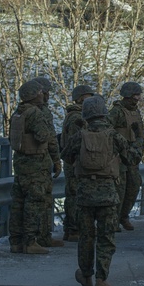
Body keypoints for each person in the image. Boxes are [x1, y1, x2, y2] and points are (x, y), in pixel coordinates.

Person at [63, 96, 140, 286]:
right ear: (104, 113)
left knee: (86, 237)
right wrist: (138, 140)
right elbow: (131, 158)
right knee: (106, 238)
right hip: (108, 195)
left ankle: (86, 275)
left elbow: (66, 156)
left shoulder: (80, 135)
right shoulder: (113, 135)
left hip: (84, 195)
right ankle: (101, 279)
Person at [7, 80, 62, 255]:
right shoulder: (35, 114)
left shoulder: (18, 113)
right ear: (33, 95)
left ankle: (16, 242)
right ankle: (31, 241)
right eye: (40, 92)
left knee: (19, 203)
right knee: (35, 203)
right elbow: (43, 136)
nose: (43, 94)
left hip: (21, 163)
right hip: (37, 164)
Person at [30, 76, 64, 247]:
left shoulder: (23, 110)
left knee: (27, 200)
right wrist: (56, 160)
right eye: (46, 92)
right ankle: (38, 238)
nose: (48, 95)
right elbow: (49, 138)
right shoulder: (39, 112)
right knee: (41, 201)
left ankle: (24, 239)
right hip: (39, 161)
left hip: (26, 161)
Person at [108, 82, 144, 231]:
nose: (138, 98)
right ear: (128, 95)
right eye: (136, 95)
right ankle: (115, 219)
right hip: (119, 156)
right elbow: (108, 130)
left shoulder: (136, 112)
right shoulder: (116, 112)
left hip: (133, 155)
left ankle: (124, 215)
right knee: (120, 189)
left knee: (134, 185)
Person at [60, 84, 95, 242]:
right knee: (74, 195)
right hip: (75, 161)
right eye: (87, 97)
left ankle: (72, 229)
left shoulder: (78, 115)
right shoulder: (76, 117)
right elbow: (75, 142)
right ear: (80, 99)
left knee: (75, 195)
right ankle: (73, 229)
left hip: (76, 160)